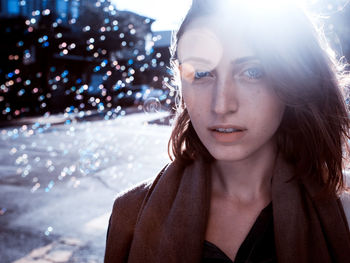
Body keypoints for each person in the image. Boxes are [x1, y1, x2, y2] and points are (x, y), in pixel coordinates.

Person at [104, 0, 350, 262]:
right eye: (201, 73)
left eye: (252, 71)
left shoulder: (343, 211)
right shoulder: (130, 215)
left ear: (294, 79)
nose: (221, 105)